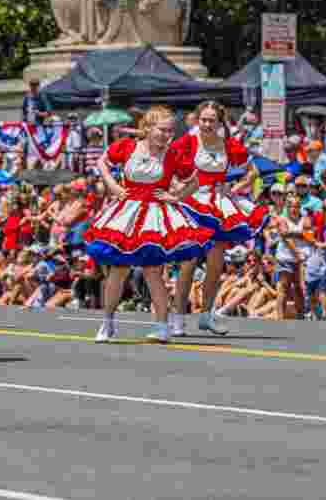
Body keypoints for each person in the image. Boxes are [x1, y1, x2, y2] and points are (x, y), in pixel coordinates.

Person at [85, 105, 211, 343]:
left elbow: (194, 181)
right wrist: (113, 186)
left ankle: (162, 326)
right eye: (162, 130)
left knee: (153, 271)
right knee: (118, 269)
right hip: (126, 213)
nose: (167, 135)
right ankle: (107, 322)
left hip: (154, 215)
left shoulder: (172, 155)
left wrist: (176, 197)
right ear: (148, 128)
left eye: (170, 131)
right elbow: (102, 162)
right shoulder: (127, 146)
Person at [173, 100, 270, 336]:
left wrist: (233, 189)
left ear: (219, 122)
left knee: (215, 265)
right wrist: (178, 189)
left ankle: (206, 315)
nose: (207, 124)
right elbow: (170, 169)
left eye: (212, 120)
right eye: (203, 119)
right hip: (193, 203)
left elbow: (252, 172)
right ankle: (178, 318)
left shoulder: (228, 144)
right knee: (188, 263)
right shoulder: (187, 142)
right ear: (198, 120)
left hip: (217, 204)